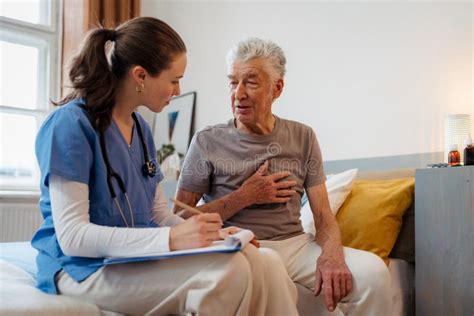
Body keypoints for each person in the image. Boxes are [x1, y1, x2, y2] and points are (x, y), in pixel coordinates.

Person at [32, 19, 298, 315]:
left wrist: (214, 233)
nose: (178, 89)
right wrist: (171, 239)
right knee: (232, 271)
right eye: (174, 79)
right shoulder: (70, 125)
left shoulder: (141, 129)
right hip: (82, 267)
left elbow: (157, 213)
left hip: (134, 255)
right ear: (141, 76)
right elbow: (72, 237)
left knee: (266, 262)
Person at [174, 38, 392, 315]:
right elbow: (180, 218)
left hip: (296, 245)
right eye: (232, 82)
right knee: (265, 265)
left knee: (373, 273)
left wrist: (332, 254)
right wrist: (245, 196)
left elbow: (323, 216)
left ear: (277, 88)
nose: (238, 93)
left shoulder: (303, 137)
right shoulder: (206, 141)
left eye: (251, 82)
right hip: (240, 246)